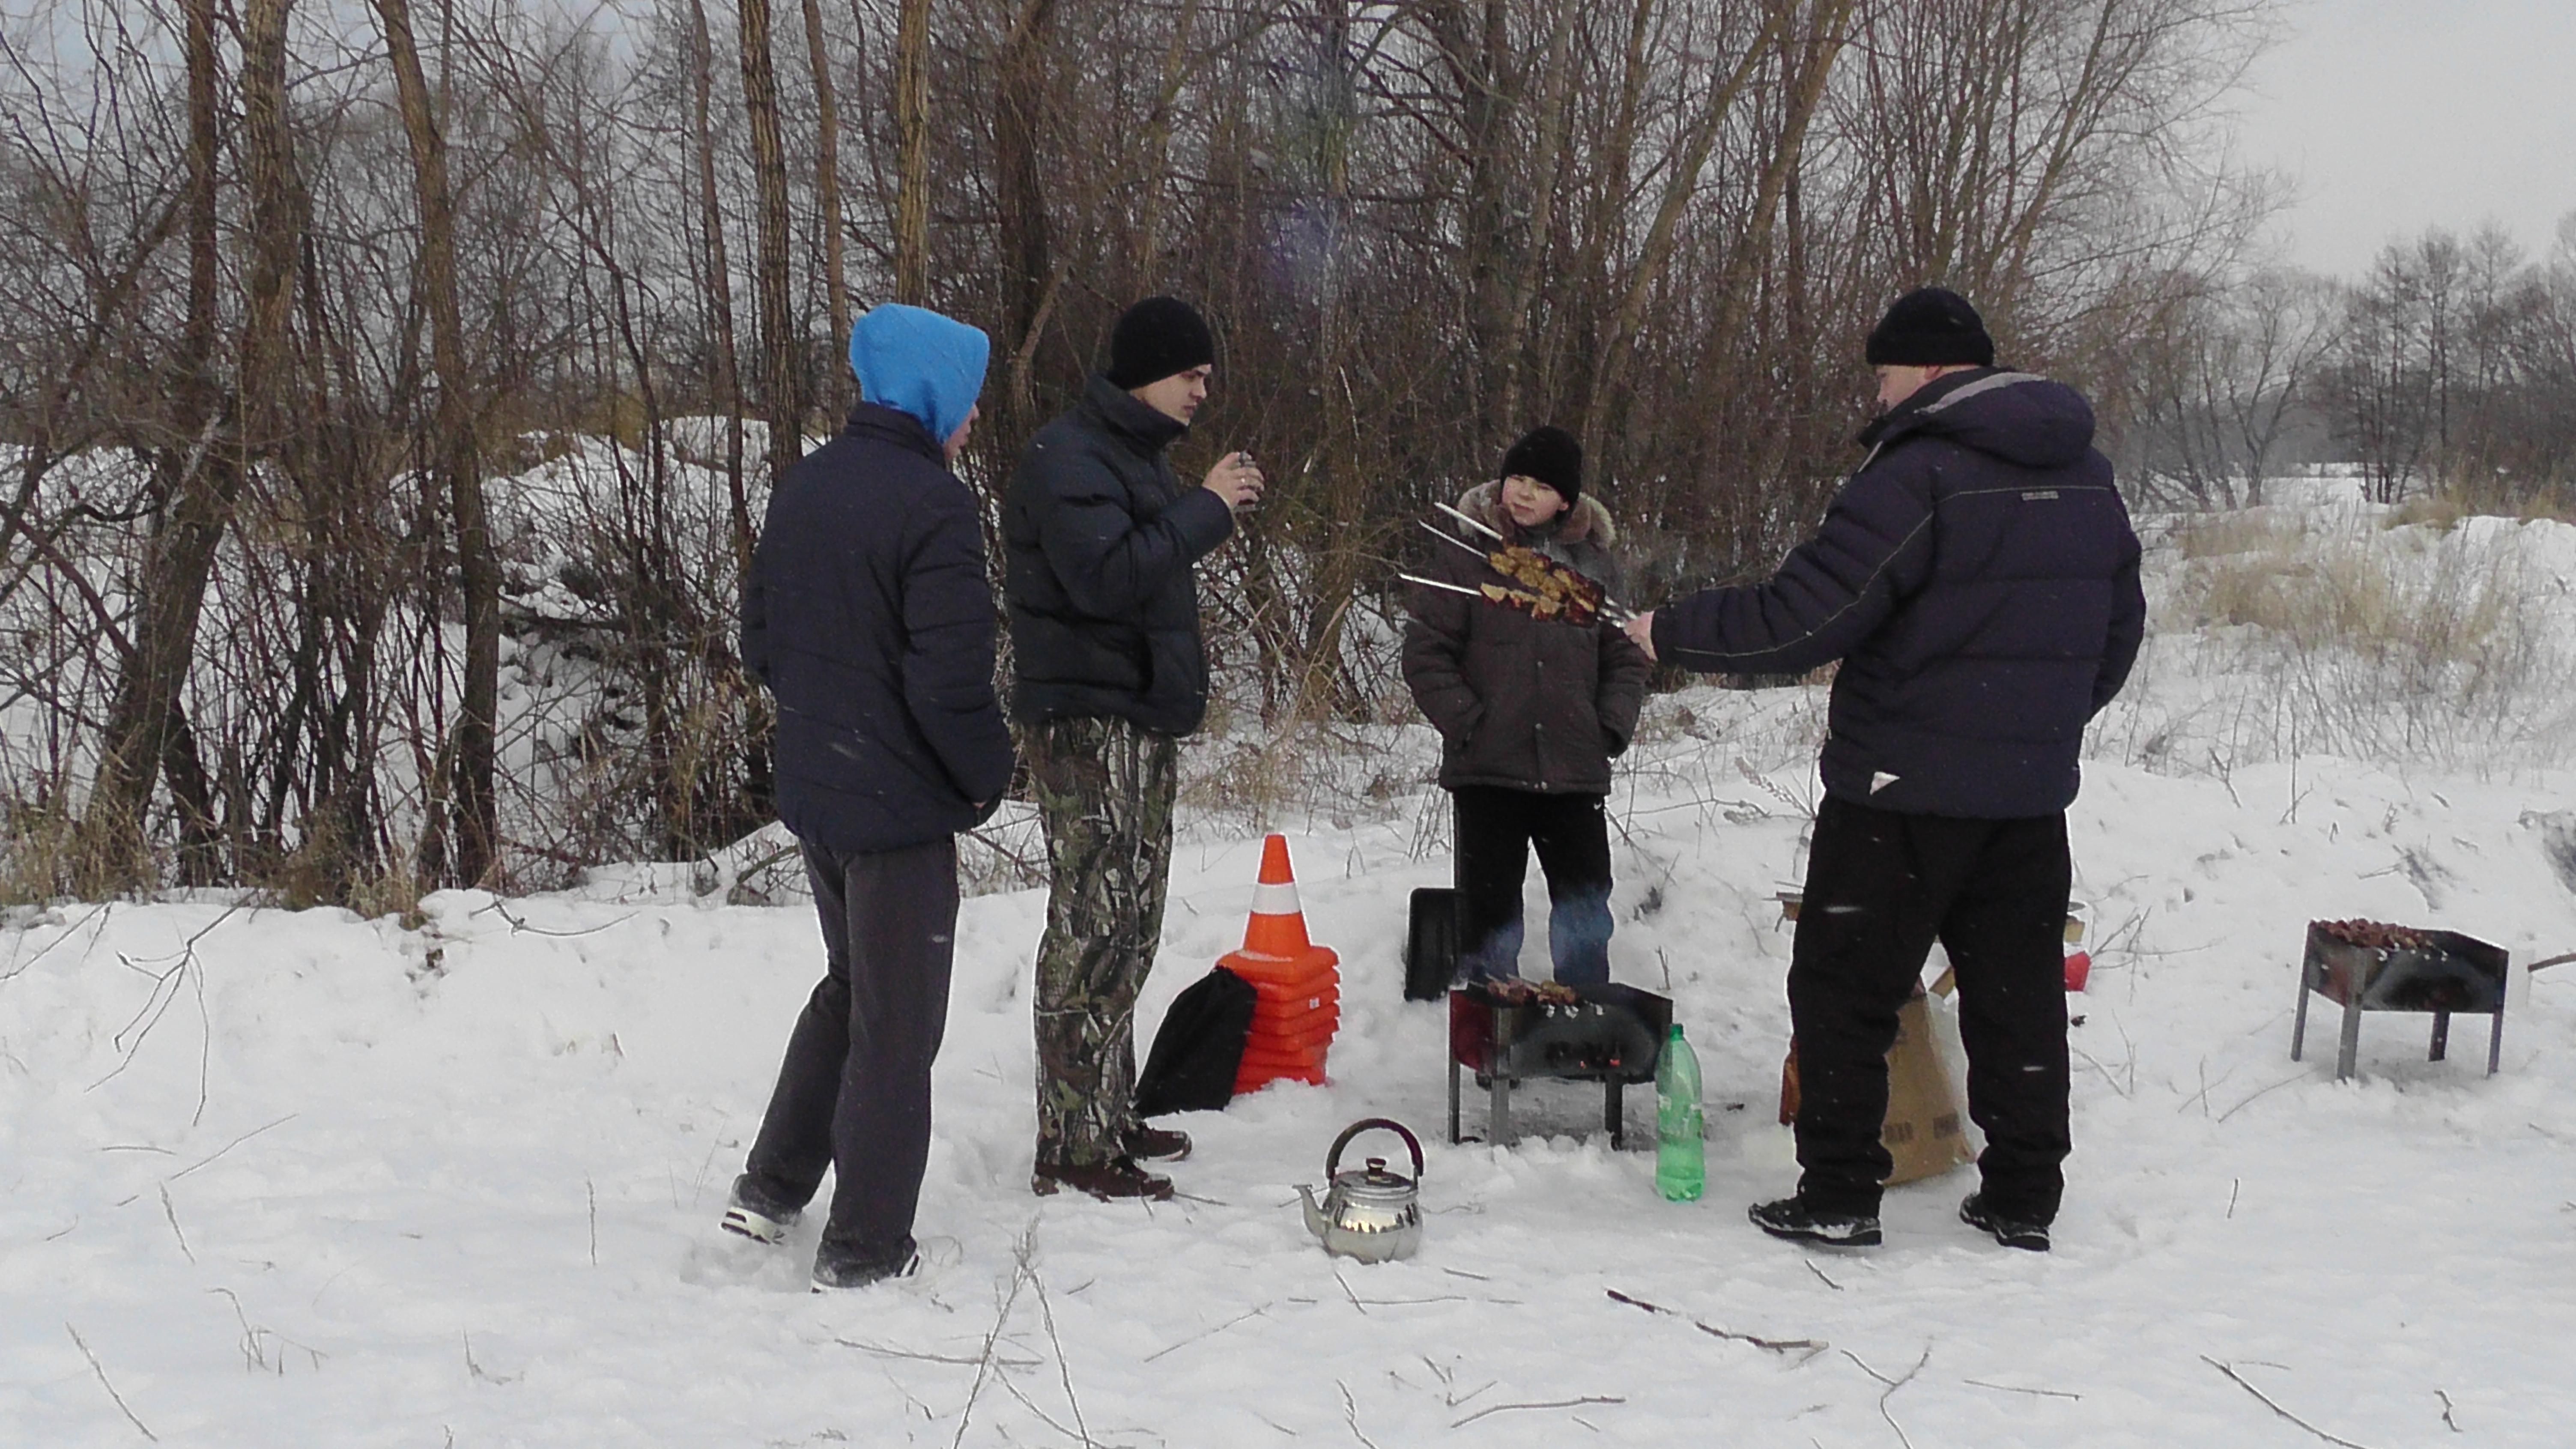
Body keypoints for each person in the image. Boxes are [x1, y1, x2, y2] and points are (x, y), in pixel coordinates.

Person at [1624, 287, 2144, 1253]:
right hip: (2025, 797)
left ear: (1927, 369)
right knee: (2018, 997)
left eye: (1885, 371)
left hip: (1899, 791)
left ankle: (1838, 1193)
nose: (1878, 390)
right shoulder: (2086, 475)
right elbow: (2117, 630)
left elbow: (1811, 615)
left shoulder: (1918, 470)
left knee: (1845, 992)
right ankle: (2023, 1196)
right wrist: (2038, 728)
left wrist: (1674, 632)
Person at [721, 303, 1015, 1291]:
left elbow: (760, 642)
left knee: (852, 988)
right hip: (895, 815)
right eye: (968, 397)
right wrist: (984, 775)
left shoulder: (805, 483)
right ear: (932, 393)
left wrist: (832, 720)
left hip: (821, 791)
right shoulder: (934, 507)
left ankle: (770, 1189)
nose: (974, 416)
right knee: (897, 1028)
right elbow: (949, 683)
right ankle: (863, 1248)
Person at [1005, 296, 1265, 1201]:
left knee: (1132, 922)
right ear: (1146, 373)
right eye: (1190, 375)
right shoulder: (1067, 457)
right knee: (1092, 923)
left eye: (1207, 377)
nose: (1202, 392)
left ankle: (1105, 1113)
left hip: (1138, 717)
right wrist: (1206, 510)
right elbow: (1103, 577)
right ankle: (1071, 1145)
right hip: (1088, 721)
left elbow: (1143, 565)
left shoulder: (1133, 456)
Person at [1402, 426, 1650, 984]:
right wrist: (1470, 723)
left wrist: (1607, 726)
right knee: (1490, 909)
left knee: (1586, 902)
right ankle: (1493, 1016)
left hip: (1574, 767)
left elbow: (1626, 654)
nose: (1524, 493)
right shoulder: (1466, 555)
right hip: (1490, 767)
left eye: (1541, 486)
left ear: (1565, 501)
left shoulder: (1595, 566)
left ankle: (1585, 1011)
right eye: (1516, 478)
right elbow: (1426, 653)